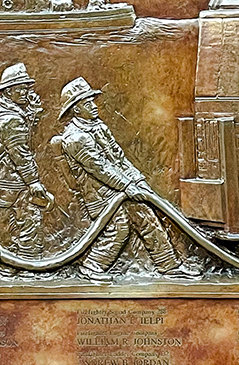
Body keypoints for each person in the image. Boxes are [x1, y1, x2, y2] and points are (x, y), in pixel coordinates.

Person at [54, 77, 200, 282]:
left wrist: (137, 180)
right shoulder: (76, 138)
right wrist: (127, 186)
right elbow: (100, 169)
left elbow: (119, 158)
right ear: (77, 110)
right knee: (118, 228)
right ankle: (92, 266)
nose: (94, 106)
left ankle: (169, 266)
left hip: (121, 190)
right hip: (102, 196)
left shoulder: (98, 127)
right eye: (88, 103)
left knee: (147, 218)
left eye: (93, 101)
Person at [0, 62, 53, 257]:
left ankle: (8, 268)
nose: (24, 92)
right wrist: (33, 182)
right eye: (19, 88)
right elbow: (20, 153)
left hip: (5, 180)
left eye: (25, 87)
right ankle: (27, 266)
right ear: (7, 91)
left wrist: (33, 114)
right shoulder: (10, 118)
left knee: (8, 226)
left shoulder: (9, 113)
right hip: (15, 182)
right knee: (28, 223)